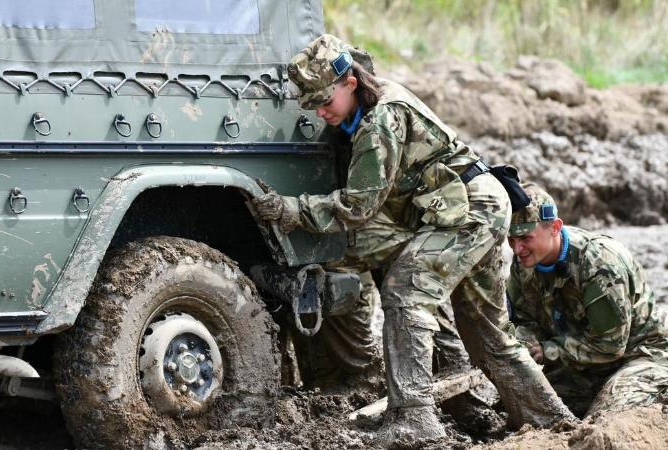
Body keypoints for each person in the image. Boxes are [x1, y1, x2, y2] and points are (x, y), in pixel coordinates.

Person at [252, 34, 574, 445]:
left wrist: (291, 210)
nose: (320, 112)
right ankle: (555, 424)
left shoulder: (381, 119)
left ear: (350, 82)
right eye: (312, 104)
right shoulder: (366, 108)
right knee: (488, 332)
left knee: (406, 290)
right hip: (472, 207)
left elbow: (357, 207)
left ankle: (415, 417)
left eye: (324, 101)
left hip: (468, 211)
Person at [507, 183, 668, 417]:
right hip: (584, 362)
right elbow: (524, 319)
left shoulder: (600, 264)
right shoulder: (523, 264)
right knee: (524, 406)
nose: (517, 248)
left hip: (641, 354)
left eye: (524, 237)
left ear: (555, 227)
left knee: (608, 416)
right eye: (511, 238)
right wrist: (527, 341)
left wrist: (548, 350)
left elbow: (610, 346)